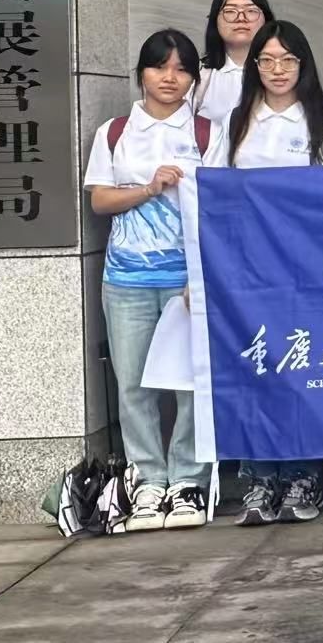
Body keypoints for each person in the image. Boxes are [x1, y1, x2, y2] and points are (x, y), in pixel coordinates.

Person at [84, 30, 228, 532]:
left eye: (182, 69)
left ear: (194, 79)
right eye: (159, 67)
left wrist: (203, 273)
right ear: (141, 73)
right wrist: (148, 188)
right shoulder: (115, 131)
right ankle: (147, 479)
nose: (170, 78)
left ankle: (188, 480)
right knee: (133, 384)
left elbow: (220, 206)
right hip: (126, 280)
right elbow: (100, 200)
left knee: (192, 383)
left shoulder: (208, 132)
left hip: (188, 280)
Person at [225, 21, 323, 524]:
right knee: (255, 371)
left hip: (303, 270)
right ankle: (258, 479)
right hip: (247, 270)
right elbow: (215, 195)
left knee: (300, 369)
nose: (277, 69)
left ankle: (301, 477)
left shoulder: (322, 122)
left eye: (288, 60)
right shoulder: (237, 121)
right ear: (255, 65)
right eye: (267, 60)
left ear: (303, 64)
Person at [196, 0, 273, 125]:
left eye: (251, 11)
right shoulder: (199, 74)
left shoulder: (284, 73)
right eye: (230, 11)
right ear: (214, 20)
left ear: (266, 20)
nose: (241, 18)